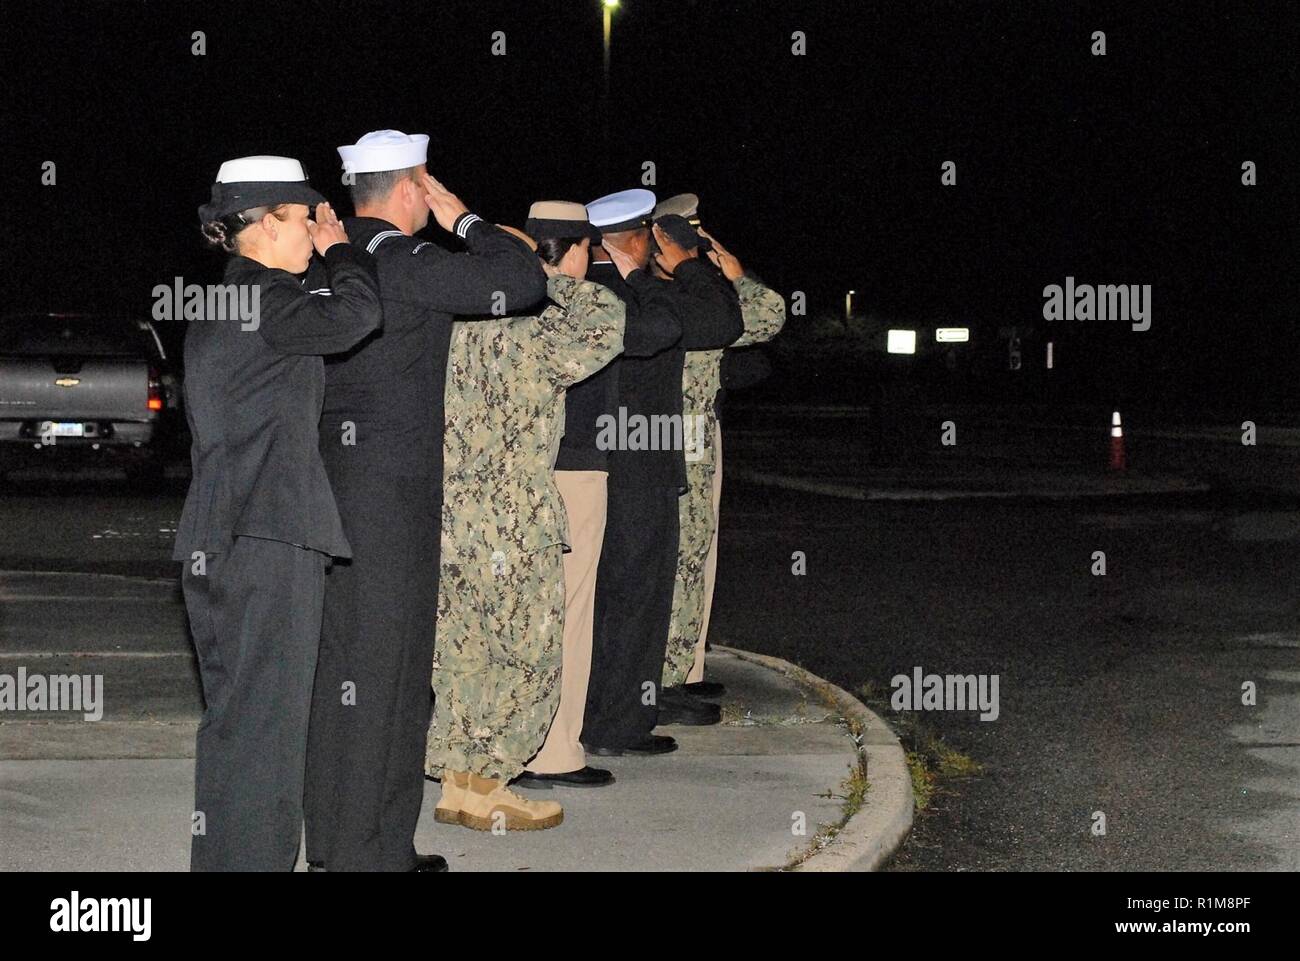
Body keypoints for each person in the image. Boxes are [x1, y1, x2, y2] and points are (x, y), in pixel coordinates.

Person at [302, 130, 546, 872]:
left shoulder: (330, 257)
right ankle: (358, 854)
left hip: (344, 489)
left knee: (364, 673)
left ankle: (363, 844)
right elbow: (523, 279)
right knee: (383, 679)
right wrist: (465, 218)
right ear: (411, 188)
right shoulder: (398, 259)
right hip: (387, 499)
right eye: (425, 183)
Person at [175, 155, 382, 871]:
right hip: (269, 536)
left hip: (221, 534)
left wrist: (323, 259)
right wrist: (345, 253)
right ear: (264, 225)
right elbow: (358, 315)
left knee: (239, 725)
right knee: (268, 730)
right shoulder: (269, 299)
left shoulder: (227, 303)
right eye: (305, 220)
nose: (316, 232)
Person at [428, 203, 625, 828]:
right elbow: (608, 320)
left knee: (462, 657)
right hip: (517, 524)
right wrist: (547, 273)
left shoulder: (448, 330)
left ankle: (460, 784)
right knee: (526, 658)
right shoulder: (534, 340)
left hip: (453, 521)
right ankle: (491, 784)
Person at [579, 189, 743, 756]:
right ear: (641, 239)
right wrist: (691, 265)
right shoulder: (636, 294)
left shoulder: (575, 289)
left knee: (602, 600)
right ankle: (616, 724)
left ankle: (603, 717)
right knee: (634, 598)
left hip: (596, 464)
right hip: (638, 468)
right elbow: (722, 321)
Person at [653, 196, 786, 697]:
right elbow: (767, 315)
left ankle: (681, 668)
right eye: (693, 242)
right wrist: (732, 278)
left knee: (691, 558)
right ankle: (666, 677)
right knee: (680, 558)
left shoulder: (691, 297)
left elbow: (767, 320)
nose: (703, 252)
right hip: (679, 442)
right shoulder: (685, 302)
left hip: (690, 439)